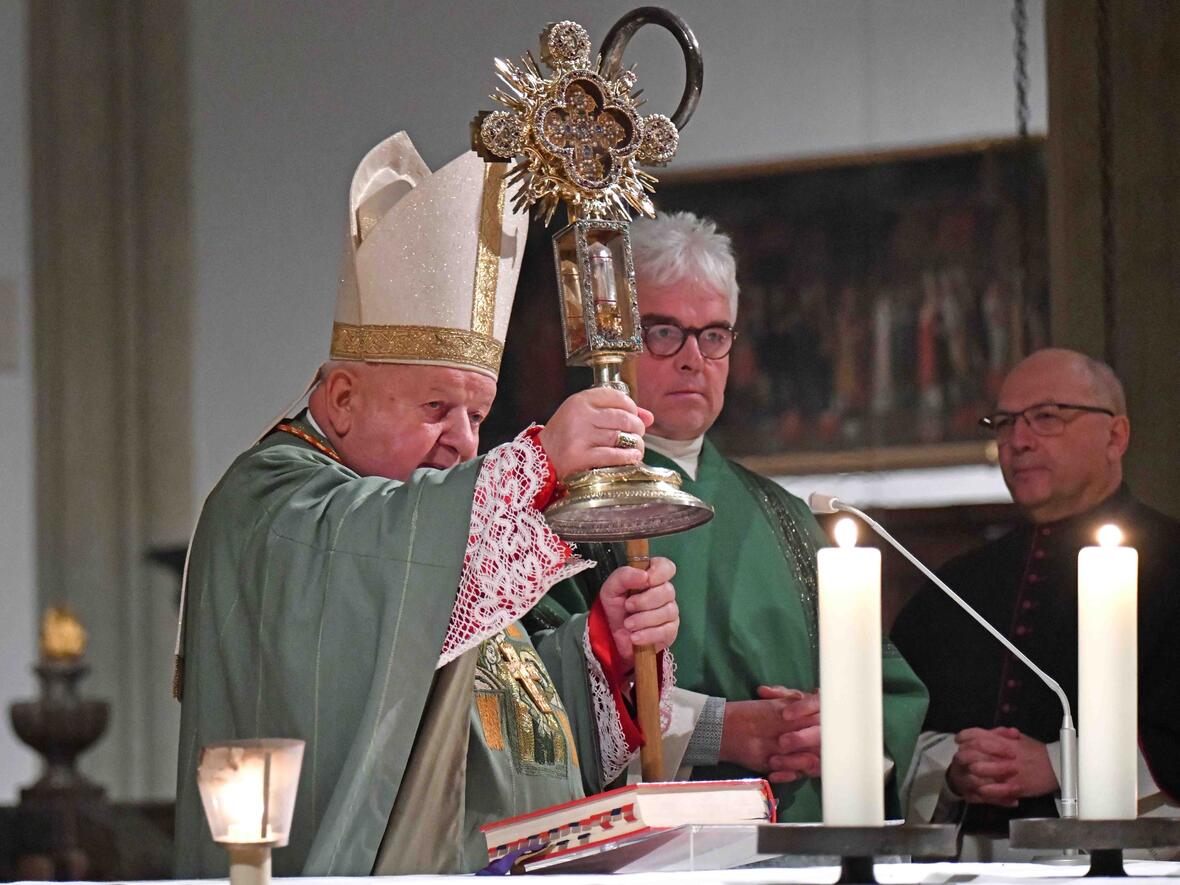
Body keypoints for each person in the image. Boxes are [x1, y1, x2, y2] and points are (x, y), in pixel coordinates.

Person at [173, 133, 682, 876]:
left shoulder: (429, 526)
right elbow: (390, 576)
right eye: (437, 406)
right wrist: (543, 457)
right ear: (342, 398)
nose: (462, 442)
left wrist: (601, 649)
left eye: (478, 415)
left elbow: (494, 731)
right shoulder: (272, 507)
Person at [526, 211, 928, 820]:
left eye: (715, 335)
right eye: (665, 333)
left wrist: (834, 731)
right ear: (615, 341)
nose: (695, 359)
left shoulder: (786, 516)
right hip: (646, 844)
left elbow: (888, 693)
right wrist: (720, 730)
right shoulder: (554, 510)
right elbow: (531, 693)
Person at [892, 348, 1180, 854]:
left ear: (1116, 437)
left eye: (1046, 418)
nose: (1018, 442)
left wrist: (1060, 763)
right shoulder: (953, 588)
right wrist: (953, 770)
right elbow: (892, 726)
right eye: (1003, 424)